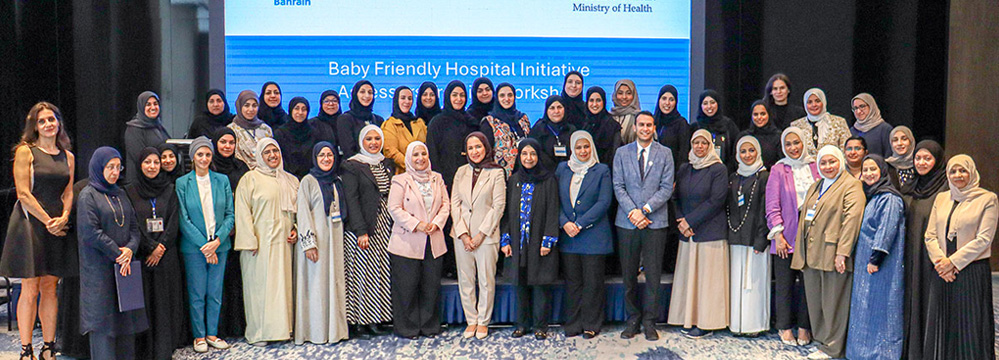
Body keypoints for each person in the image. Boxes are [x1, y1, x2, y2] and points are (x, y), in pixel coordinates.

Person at [0, 102, 75, 360]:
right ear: (35, 126)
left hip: (57, 224)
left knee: (50, 288)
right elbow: (23, 193)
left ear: (58, 123)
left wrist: (64, 216)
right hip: (30, 224)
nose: (48, 125)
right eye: (42, 121)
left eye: (51, 119)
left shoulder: (68, 156)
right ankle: (25, 349)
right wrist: (48, 221)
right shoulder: (25, 152)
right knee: (30, 289)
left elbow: (68, 191)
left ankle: (48, 348)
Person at [791, 145, 865, 360]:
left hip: (833, 254)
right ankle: (822, 342)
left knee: (834, 304)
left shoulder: (851, 186)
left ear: (840, 162)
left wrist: (842, 252)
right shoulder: (817, 185)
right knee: (817, 303)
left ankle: (833, 347)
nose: (828, 166)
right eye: (823, 163)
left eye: (832, 161)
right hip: (812, 252)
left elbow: (852, 221)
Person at [76, 147, 149, 360]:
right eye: (110, 167)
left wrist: (130, 249)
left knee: (126, 323)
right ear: (99, 167)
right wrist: (120, 253)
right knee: (103, 325)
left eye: (118, 167)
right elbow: (90, 233)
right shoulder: (88, 195)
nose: (115, 172)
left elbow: (135, 228)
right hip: (99, 270)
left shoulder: (120, 193)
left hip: (124, 268)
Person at [922, 154, 996, 360]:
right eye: (953, 171)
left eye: (963, 170)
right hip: (942, 271)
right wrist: (941, 263)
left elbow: (984, 239)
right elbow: (930, 235)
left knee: (969, 324)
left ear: (971, 172)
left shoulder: (987, 199)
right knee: (942, 321)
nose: (957, 175)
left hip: (970, 271)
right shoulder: (942, 198)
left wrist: (952, 263)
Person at [612, 112, 674, 341]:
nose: (645, 128)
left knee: (653, 276)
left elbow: (667, 188)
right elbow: (618, 185)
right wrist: (633, 212)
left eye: (649, 125)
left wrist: (645, 210)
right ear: (635, 127)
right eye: (641, 125)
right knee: (628, 275)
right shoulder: (621, 153)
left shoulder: (665, 153)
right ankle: (632, 319)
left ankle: (649, 321)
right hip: (627, 222)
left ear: (654, 127)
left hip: (655, 223)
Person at [234, 138, 299, 345]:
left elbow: (299, 212)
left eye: (276, 151)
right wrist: (249, 241)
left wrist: (296, 229)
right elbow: (242, 213)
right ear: (259, 155)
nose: (272, 155)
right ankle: (260, 333)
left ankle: (283, 329)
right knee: (260, 290)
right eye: (267, 152)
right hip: (258, 245)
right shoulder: (250, 179)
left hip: (284, 244)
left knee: (282, 288)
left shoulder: (290, 180)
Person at [124, 147, 188, 359]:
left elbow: (173, 220)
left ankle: (163, 347)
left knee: (164, 302)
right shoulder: (129, 190)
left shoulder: (169, 189)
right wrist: (149, 246)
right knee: (145, 302)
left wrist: (160, 247)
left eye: (155, 162)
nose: (152, 167)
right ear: (140, 165)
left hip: (166, 256)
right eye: (147, 162)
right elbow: (132, 223)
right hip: (142, 256)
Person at [176, 137, 236, 352]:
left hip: (221, 245)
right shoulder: (182, 183)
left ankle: (212, 333)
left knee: (215, 293)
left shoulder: (222, 180)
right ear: (193, 157)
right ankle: (199, 336)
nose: (204, 158)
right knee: (197, 293)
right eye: (200, 154)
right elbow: (184, 219)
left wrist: (217, 240)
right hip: (194, 249)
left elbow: (230, 214)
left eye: (207, 154)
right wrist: (205, 245)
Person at [668, 129, 730, 338]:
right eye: (696, 143)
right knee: (690, 278)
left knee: (708, 281)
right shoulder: (685, 168)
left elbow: (716, 200)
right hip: (688, 232)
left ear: (710, 146)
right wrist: (680, 221)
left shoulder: (718, 169)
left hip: (709, 232)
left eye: (704, 143)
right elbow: (674, 197)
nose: (700, 147)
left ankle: (707, 322)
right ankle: (688, 318)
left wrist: (689, 221)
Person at [387, 141, 450, 339]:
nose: (420, 158)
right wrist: (418, 225)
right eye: (415, 155)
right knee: (407, 287)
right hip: (407, 241)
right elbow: (394, 208)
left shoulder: (437, 178)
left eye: (424, 153)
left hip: (433, 239)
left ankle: (430, 326)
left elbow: (446, 205)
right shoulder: (400, 180)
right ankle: (408, 328)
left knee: (430, 286)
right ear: (408, 159)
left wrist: (437, 223)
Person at [845, 154, 905, 360]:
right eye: (866, 170)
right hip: (867, 263)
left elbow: (886, 230)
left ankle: (882, 354)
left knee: (881, 308)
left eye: (873, 169)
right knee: (866, 307)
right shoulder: (874, 195)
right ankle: (863, 353)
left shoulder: (889, 198)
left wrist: (875, 259)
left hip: (881, 266)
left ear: (882, 171)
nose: (869, 174)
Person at [556, 131, 613, 339]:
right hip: (569, 236)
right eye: (578, 147)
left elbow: (604, 202)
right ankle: (573, 323)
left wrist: (579, 223)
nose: (582, 151)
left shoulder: (602, 170)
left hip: (593, 236)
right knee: (572, 283)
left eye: (586, 147)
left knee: (593, 283)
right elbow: (556, 200)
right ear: (572, 149)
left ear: (592, 148)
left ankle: (591, 323)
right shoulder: (562, 169)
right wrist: (565, 223)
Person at [501, 138, 559, 340]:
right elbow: (507, 212)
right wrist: (505, 240)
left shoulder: (548, 180)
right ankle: (521, 325)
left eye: (532, 154)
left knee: (540, 285)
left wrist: (547, 241)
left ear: (538, 156)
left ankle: (540, 326)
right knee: (520, 284)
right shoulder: (514, 179)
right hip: (518, 243)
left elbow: (553, 211)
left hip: (539, 243)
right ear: (519, 156)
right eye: (524, 154)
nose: (528, 158)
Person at [450, 132, 507, 339]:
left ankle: (483, 321)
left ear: (486, 148)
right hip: (462, 235)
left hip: (487, 235)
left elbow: (499, 206)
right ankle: (471, 320)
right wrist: (464, 234)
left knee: (485, 280)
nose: (475, 151)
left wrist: (480, 235)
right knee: (465, 280)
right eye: (471, 147)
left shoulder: (496, 172)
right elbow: (454, 205)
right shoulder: (460, 172)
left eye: (479, 147)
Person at [765, 127, 819, 346]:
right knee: (785, 284)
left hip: (812, 237)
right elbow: (772, 204)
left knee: (809, 285)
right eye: (788, 144)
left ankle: (805, 327)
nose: (793, 148)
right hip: (785, 237)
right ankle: (785, 327)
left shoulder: (816, 167)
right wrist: (777, 234)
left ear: (804, 142)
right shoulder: (778, 169)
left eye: (797, 143)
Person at [340, 125, 396, 336]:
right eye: (368, 139)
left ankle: (378, 318)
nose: (373, 143)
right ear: (361, 141)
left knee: (380, 273)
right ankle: (360, 322)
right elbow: (351, 200)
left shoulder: (385, 163)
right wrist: (360, 230)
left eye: (377, 138)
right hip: (362, 227)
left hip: (383, 225)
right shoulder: (352, 165)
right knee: (362, 274)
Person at [295, 142, 349, 344]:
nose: (326, 159)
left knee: (333, 283)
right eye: (322, 156)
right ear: (315, 158)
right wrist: (309, 243)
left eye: (330, 155)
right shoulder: (308, 181)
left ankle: (335, 331)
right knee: (316, 285)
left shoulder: (336, 181)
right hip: (316, 242)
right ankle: (316, 332)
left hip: (334, 239)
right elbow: (303, 213)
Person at [426, 80, 480, 279]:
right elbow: (432, 152)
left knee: (468, 221)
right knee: (449, 222)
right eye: (455, 95)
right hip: (446, 181)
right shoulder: (438, 122)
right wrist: (440, 181)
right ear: (448, 96)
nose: (459, 99)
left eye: (462, 95)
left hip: (471, 181)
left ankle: (466, 266)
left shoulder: (471, 121)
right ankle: (449, 266)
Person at [901, 140, 947, 359]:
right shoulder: (910, 186)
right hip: (910, 255)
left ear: (937, 160)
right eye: (918, 158)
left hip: (932, 258)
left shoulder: (945, 189)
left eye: (927, 158)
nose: (921, 162)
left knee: (929, 303)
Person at [726, 136, 770, 336]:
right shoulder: (734, 176)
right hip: (736, 237)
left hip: (756, 238)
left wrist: (762, 239)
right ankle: (737, 324)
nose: (747, 155)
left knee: (754, 283)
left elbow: (766, 209)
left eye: (751, 150)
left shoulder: (764, 176)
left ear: (758, 152)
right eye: (743, 151)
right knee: (737, 283)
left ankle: (754, 325)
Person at [209, 127, 249, 339]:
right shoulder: (210, 166)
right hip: (216, 234)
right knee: (218, 282)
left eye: (231, 143)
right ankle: (219, 329)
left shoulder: (241, 167)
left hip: (239, 231)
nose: (227, 146)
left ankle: (237, 327)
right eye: (223, 142)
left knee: (237, 280)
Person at [275, 96, 333, 178]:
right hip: (286, 179)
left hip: (311, 178)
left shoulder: (314, 133)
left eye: (304, 109)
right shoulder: (280, 133)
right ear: (291, 110)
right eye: (296, 108)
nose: (300, 112)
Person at [480, 82, 531, 172]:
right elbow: (486, 154)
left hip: (524, 172)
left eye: (510, 95)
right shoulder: (489, 122)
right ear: (497, 98)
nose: (506, 99)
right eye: (502, 95)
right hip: (501, 174)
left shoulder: (522, 118)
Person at [124, 91, 170, 184]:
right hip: (139, 184)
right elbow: (139, 157)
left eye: (155, 104)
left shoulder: (159, 126)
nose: (153, 107)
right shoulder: (134, 129)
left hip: (157, 181)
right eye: (148, 104)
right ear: (141, 107)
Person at [789, 88, 851, 158]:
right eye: (809, 102)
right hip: (805, 167)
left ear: (823, 102)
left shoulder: (839, 122)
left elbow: (847, 150)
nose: (814, 105)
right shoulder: (796, 126)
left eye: (817, 101)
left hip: (832, 166)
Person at [382, 86, 427, 174]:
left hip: (422, 174)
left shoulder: (419, 122)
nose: (407, 101)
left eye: (410, 98)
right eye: (403, 98)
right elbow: (391, 152)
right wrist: (413, 165)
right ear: (396, 100)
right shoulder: (389, 124)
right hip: (401, 175)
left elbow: (427, 146)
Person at [692, 90, 740, 173]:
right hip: (699, 174)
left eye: (712, 102)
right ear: (701, 106)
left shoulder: (728, 125)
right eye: (705, 103)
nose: (709, 106)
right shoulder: (695, 127)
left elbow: (736, 151)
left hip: (725, 173)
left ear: (718, 104)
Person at [227, 90, 275, 170]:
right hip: (241, 174)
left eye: (254, 105)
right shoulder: (231, 130)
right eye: (246, 105)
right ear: (239, 106)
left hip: (266, 172)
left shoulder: (266, 129)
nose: (251, 109)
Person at [337, 80, 385, 159]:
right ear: (355, 94)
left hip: (377, 167)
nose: (367, 95)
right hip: (355, 167)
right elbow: (348, 151)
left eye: (370, 92)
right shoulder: (345, 119)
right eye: (362, 92)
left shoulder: (378, 120)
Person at [653, 85, 691, 172]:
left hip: (672, 174)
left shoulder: (681, 123)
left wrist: (677, 178)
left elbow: (683, 153)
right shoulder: (653, 121)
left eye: (671, 99)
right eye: (664, 98)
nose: (667, 103)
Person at [582, 86, 622, 167]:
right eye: (591, 100)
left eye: (598, 100)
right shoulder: (584, 124)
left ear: (604, 102)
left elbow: (615, 154)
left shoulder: (613, 125)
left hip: (607, 172)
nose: (594, 104)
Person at [530, 95, 576, 163]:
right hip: (544, 171)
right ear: (546, 110)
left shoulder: (571, 130)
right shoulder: (538, 129)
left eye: (559, 107)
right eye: (552, 108)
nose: (556, 111)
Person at [738, 100, 782, 169]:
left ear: (769, 115)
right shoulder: (744, 136)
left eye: (763, 114)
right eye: (755, 114)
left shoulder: (778, 136)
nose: (759, 117)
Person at [848, 93, 893, 158]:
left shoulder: (884, 129)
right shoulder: (852, 131)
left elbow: (889, 155)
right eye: (855, 108)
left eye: (862, 106)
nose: (858, 111)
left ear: (871, 106)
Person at [610, 79, 641, 144]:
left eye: (628, 93)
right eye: (620, 93)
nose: (624, 97)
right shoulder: (609, 116)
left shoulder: (639, 118)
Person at [886, 125, 917, 190]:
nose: (899, 143)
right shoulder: (886, 166)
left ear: (911, 141)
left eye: (904, 139)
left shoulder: (919, 165)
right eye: (895, 140)